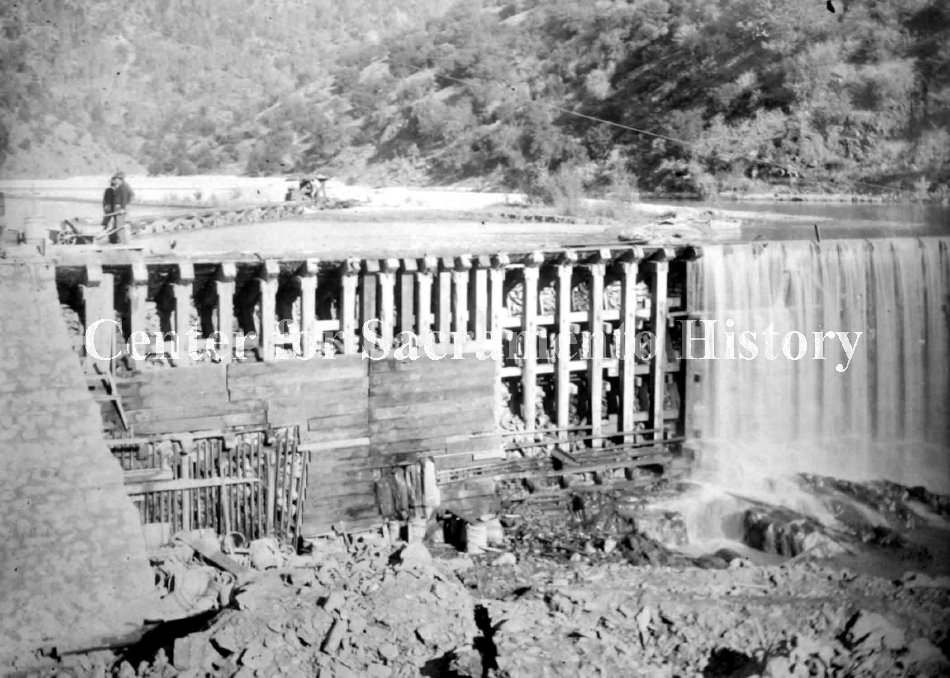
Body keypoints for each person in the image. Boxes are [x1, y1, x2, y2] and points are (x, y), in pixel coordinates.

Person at [102, 172, 134, 244]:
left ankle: (123, 242)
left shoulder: (123, 187)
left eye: (116, 179)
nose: (115, 181)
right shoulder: (121, 186)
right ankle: (119, 240)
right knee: (118, 225)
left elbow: (125, 198)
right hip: (118, 207)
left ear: (120, 179)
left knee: (120, 226)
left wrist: (123, 208)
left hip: (120, 208)